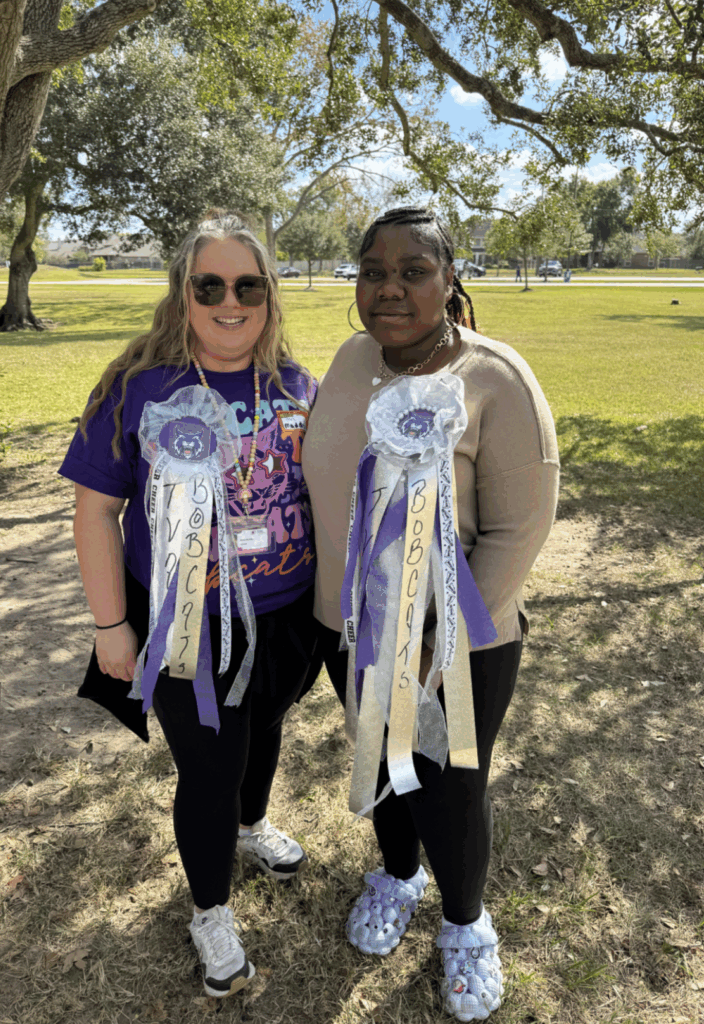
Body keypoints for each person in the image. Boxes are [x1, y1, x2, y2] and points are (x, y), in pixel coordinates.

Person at [303, 207, 559, 1021]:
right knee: (380, 762)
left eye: (414, 269)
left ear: (451, 279)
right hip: (350, 628)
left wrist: (437, 645)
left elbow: (520, 528)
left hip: (458, 644)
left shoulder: (495, 378)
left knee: (450, 784)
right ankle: (397, 875)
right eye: (373, 270)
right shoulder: (349, 360)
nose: (390, 287)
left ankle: (465, 925)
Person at [58, 212, 318, 1000]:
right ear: (183, 294)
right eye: (210, 285)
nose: (229, 301)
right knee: (209, 769)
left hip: (288, 617)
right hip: (186, 630)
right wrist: (112, 627)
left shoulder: (299, 386)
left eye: (249, 284)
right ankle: (210, 908)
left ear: (270, 294)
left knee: (263, 731)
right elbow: (95, 512)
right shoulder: (136, 388)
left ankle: (250, 830)